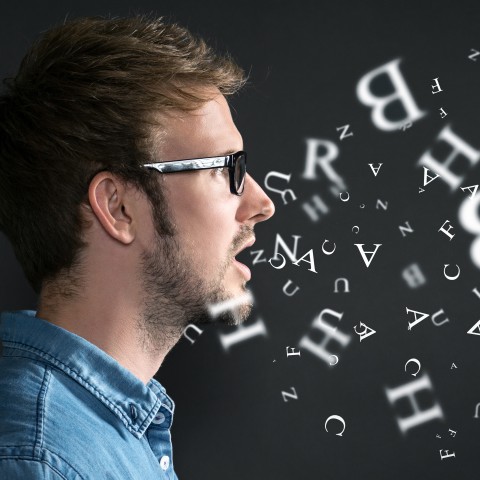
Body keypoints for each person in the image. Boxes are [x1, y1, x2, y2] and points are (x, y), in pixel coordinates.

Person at [0, 15, 274, 479]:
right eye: (226, 168)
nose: (260, 203)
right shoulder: (43, 463)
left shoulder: (108, 429)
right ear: (118, 207)